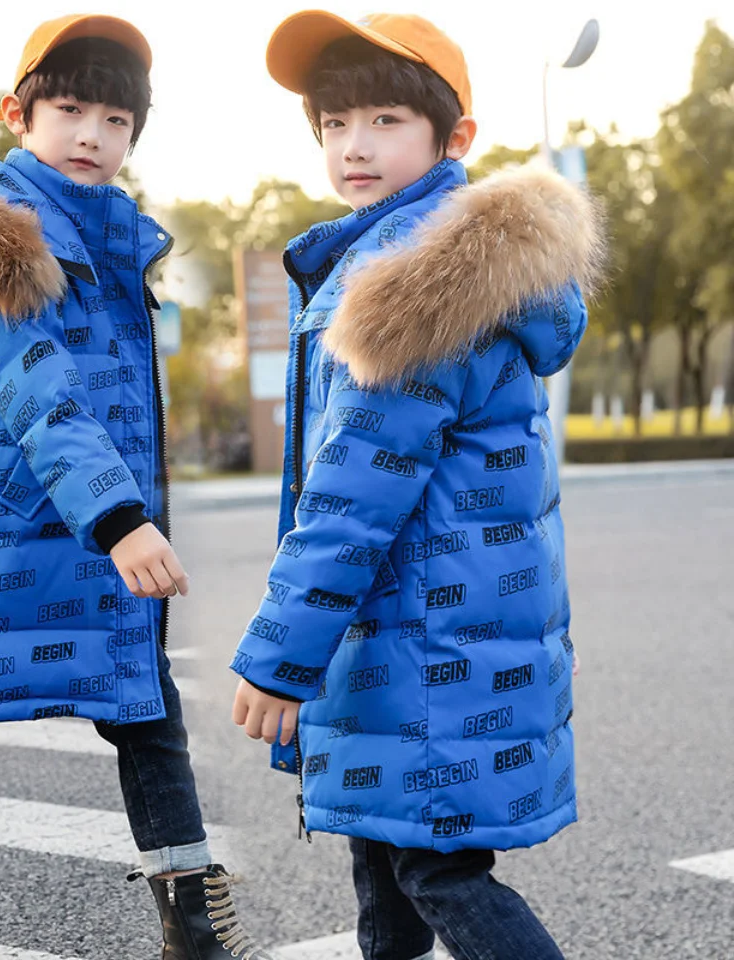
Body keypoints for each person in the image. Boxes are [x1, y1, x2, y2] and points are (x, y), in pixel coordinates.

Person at [0, 15, 273, 960]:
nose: (91, 136)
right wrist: (122, 520)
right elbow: (37, 387)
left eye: (116, 120)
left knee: (145, 711)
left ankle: (195, 931)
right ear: (16, 114)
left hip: (89, 530)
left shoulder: (114, 237)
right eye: (69, 110)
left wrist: (117, 520)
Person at [230, 12, 602, 960]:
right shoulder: (405, 260)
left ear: (454, 137)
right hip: (424, 638)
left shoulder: (415, 288)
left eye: (386, 120)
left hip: (428, 649)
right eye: (334, 123)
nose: (354, 146)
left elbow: (354, 499)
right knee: (384, 858)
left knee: (435, 871)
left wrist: (280, 655)